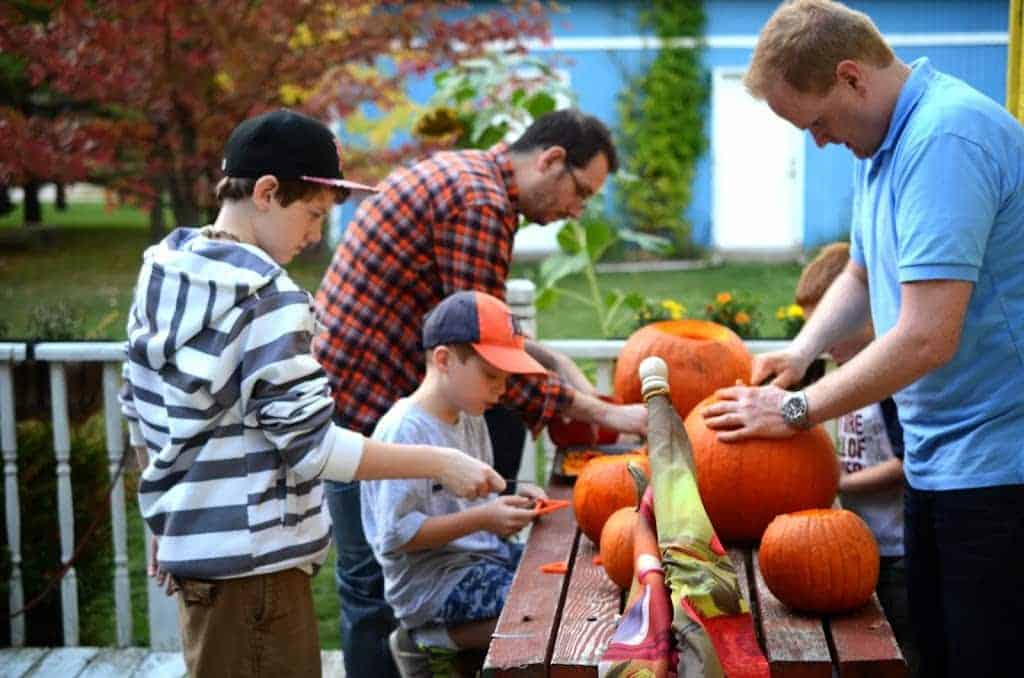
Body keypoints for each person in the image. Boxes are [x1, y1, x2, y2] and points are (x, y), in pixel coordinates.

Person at [119, 109, 504, 677]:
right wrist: (442, 461)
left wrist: (165, 521)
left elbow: (139, 408)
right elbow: (314, 450)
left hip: (201, 559)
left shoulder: (164, 272)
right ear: (268, 193)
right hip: (258, 575)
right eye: (314, 214)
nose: (317, 234)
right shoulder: (270, 298)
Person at [702, 2, 1024, 676]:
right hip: (944, 457)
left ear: (851, 78)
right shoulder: (883, 142)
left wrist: (794, 410)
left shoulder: (945, 141)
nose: (817, 142)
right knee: (936, 656)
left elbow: (926, 339)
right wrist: (800, 353)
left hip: (1001, 465)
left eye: (816, 122)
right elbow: (860, 268)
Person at [313, 108, 648, 675]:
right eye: (580, 192)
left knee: (372, 589)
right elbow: (481, 345)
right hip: (360, 400)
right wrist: (600, 414)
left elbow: (483, 329)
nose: (576, 210)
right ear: (550, 160)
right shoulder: (482, 205)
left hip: (369, 384)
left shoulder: (472, 179)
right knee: (372, 591)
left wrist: (553, 359)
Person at [363, 290, 551, 677]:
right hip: (432, 584)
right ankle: (430, 639)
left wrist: (514, 497)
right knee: (538, 608)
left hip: (480, 560)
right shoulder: (404, 431)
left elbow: (472, 497)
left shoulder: (470, 415)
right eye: (490, 376)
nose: (501, 389)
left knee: (555, 580)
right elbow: (395, 536)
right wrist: (484, 519)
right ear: (444, 360)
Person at [795, 242, 917, 674]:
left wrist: (836, 485)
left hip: (897, 548)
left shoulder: (889, 380)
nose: (824, 346)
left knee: (901, 649)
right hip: (862, 544)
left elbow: (908, 463)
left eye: (829, 332)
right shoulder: (846, 377)